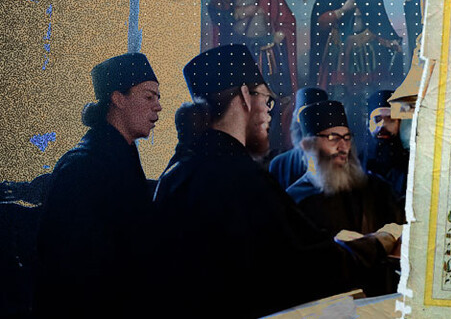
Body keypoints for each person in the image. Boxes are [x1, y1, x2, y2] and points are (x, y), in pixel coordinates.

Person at [152, 44, 399, 318]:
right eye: (267, 100)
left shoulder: (177, 172)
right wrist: (380, 242)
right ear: (245, 96)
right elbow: (310, 267)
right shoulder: (241, 177)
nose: (269, 112)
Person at [34, 53, 162, 318]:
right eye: (149, 97)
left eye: (158, 98)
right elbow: (73, 270)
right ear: (118, 99)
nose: (158, 106)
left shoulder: (121, 158)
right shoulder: (83, 166)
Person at [310, 0, 403, 153]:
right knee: (339, 97)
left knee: (365, 97)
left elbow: (378, 15)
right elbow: (320, 17)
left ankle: (366, 145)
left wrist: (390, 39)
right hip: (339, 48)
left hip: (365, 48)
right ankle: (336, 142)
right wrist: (342, 10)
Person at [209, 0, 298, 151]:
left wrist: (280, 33)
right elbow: (216, 11)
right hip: (241, 50)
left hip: (266, 51)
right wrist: (238, 7)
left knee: (269, 96)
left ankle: (270, 144)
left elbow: (286, 17)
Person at [286, 100, 404, 236]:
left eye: (347, 138)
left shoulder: (376, 189)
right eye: (333, 138)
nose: (343, 147)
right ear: (309, 146)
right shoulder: (295, 200)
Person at [269, 86, 328, 189]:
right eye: (302, 114)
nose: (307, 122)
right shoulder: (279, 165)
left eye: (313, 115)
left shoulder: (339, 162)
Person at [361, 90, 410, 200]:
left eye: (390, 119)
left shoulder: (411, 166)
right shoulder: (357, 164)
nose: (383, 125)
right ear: (368, 124)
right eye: (377, 119)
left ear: (399, 123)